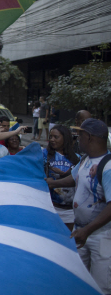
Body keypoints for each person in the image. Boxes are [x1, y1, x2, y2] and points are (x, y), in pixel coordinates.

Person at [46, 119, 111, 293]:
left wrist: (88, 230)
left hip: (102, 237)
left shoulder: (108, 166)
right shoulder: (85, 160)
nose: (77, 138)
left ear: (89, 137)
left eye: (80, 135)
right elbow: (73, 179)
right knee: (77, 278)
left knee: (100, 284)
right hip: (81, 231)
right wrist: (50, 183)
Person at [43, 125, 79, 230]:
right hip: (52, 207)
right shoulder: (44, 155)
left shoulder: (77, 158)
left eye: (56, 137)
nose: (52, 140)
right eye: (50, 137)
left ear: (65, 138)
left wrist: (63, 174)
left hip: (70, 211)